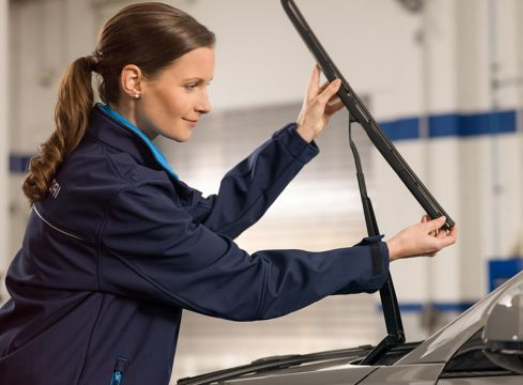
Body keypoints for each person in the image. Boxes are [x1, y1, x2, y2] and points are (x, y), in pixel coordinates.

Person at [0, 2, 457, 384]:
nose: (205, 103)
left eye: (208, 85)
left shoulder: (111, 163)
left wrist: (299, 137)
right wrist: (386, 252)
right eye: (191, 85)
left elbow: (208, 222)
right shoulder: (118, 187)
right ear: (134, 81)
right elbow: (250, 286)